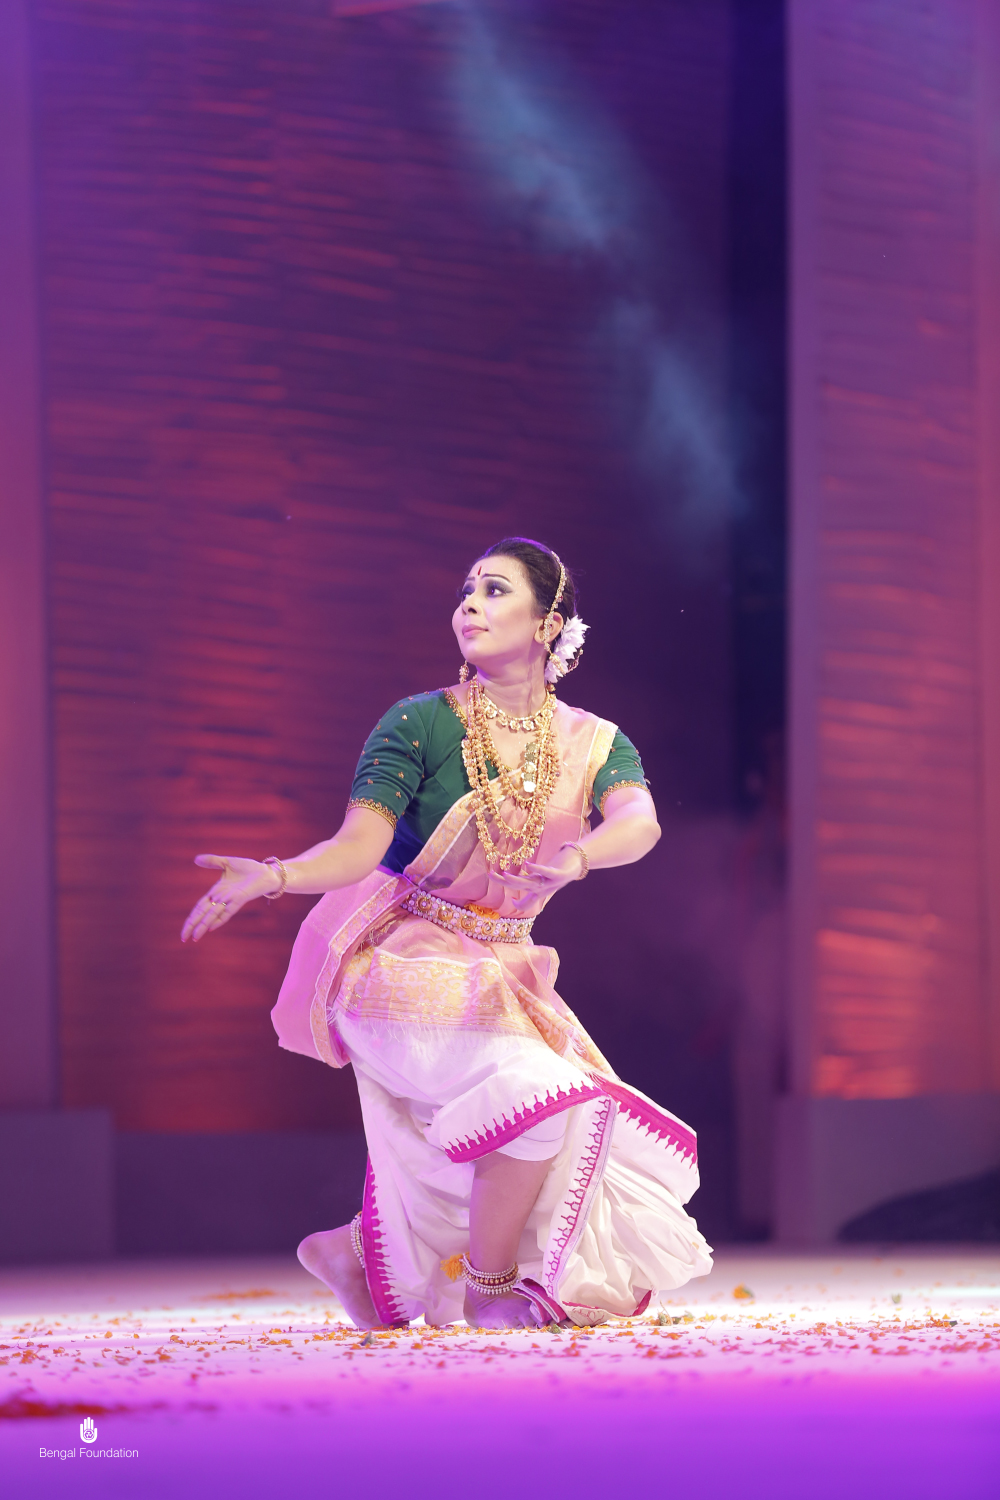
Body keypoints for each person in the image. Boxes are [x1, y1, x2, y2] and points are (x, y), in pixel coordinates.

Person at [181, 537, 712, 1328]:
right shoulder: (420, 723)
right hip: (397, 961)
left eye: (495, 590)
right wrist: (277, 874)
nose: (469, 603)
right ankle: (487, 1289)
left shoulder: (594, 742)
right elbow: (357, 847)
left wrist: (581, 856)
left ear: (548, 624)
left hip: (502, 974)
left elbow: (640, 821)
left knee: (542, 1116)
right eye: (467, 589)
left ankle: (357, 1251)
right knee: (535, 1094)